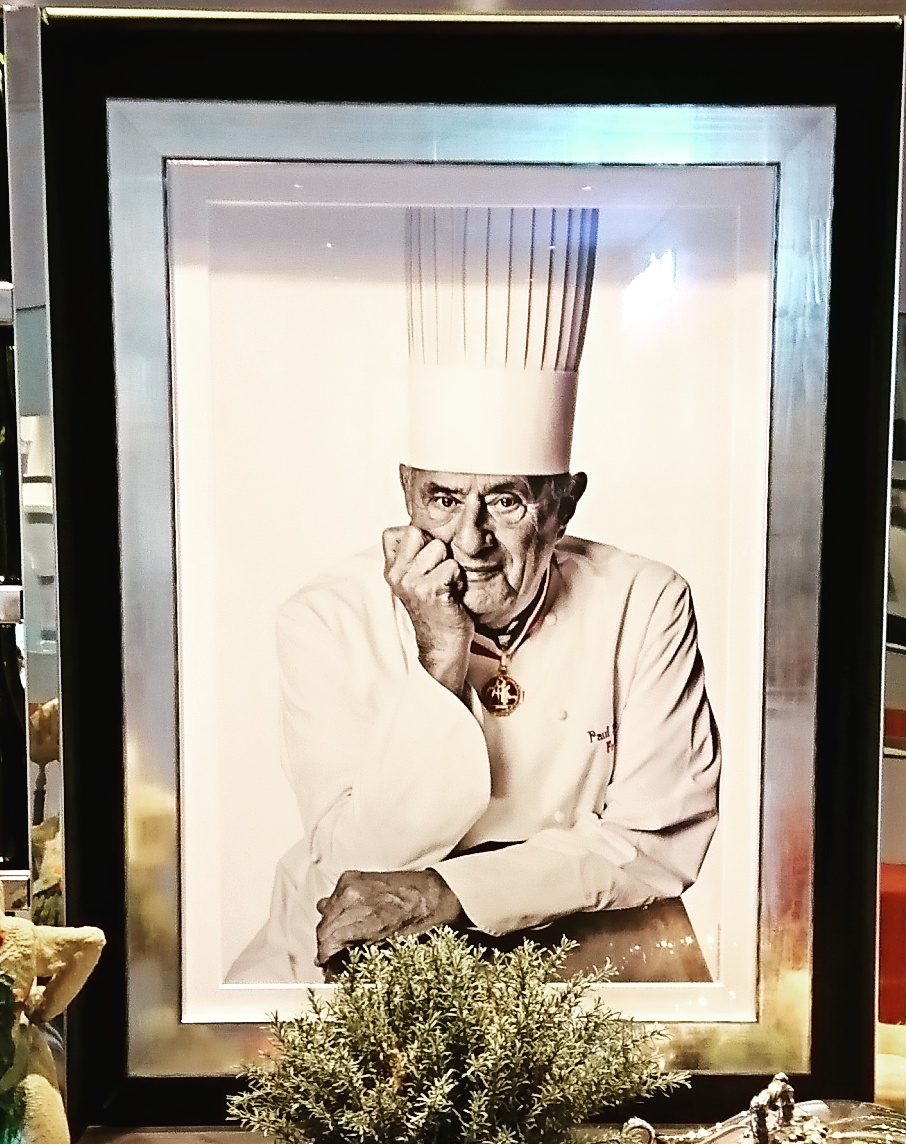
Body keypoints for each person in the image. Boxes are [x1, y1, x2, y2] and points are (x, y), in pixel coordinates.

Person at [230, 205, 721, 986]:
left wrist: (452, 891)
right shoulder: (324, 616)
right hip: (347, 957)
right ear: (405, 491)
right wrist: (439, 657)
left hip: (574, 952)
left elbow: (656, 842)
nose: (470, 539)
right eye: (442, 498)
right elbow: (364, 858)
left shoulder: (643, 600)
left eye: (506, 500)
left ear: (563, 505)